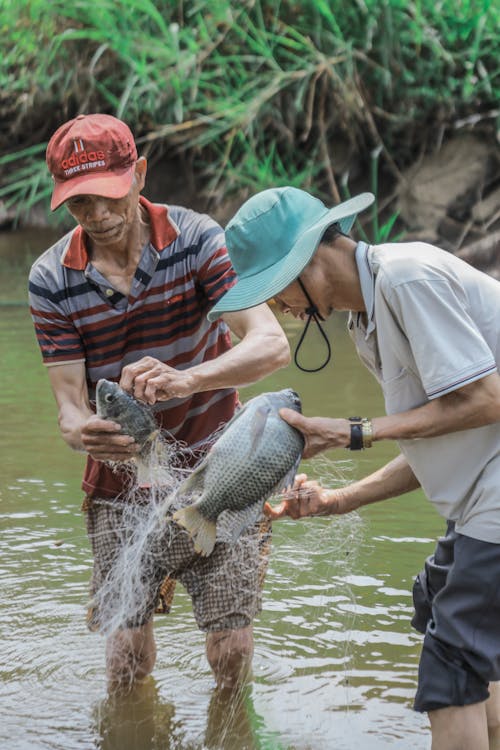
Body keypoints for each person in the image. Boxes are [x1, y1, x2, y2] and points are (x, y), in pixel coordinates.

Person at [207, 186, 500, 750]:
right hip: (483, 491)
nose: (277, 308)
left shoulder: (406, 277)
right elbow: (436, 436)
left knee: (452, 664)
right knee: (443, 610)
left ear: (308, 261)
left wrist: (354, 432)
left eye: (273, 290)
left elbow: (486, 399)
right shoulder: (364, 323)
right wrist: (341, 500)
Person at [28, 114, 290, 691]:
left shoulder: (197, 240)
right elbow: (70, 408)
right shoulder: (51, 278)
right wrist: (81, 434)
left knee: (230, 652)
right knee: (125, 660)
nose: (96, 215)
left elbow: (271, 343)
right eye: (78, 203)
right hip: (120, 481)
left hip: (221, 468)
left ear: (140, 174)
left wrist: (188, 379)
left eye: (108, 196)